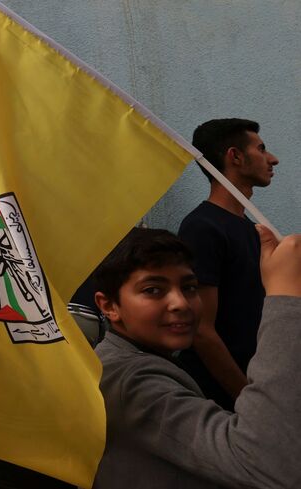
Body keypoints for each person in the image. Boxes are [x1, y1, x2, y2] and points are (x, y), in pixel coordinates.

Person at [91, 226, 301, 488]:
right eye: (153, 290)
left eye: (189, 287)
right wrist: (285, 297)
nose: (180, 303)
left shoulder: (140, 356)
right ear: (109, 306)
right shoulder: (130, 382)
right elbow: (269, 464)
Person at [177, 118, 279, 409]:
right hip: (224, 405)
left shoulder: (251, 229)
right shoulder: (203, 228)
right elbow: (201, 330)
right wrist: (247, 400)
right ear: (235, 156)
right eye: (261, 149)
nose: (273, 159)